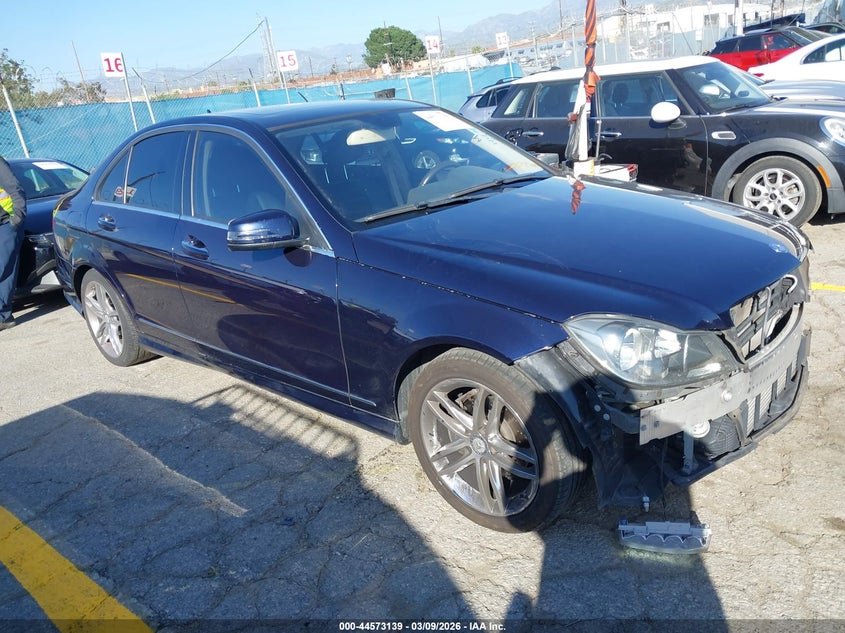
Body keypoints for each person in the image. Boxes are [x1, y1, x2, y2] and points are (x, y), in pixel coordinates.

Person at [0, 156, 27, 331]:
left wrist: (17, 216)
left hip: (4, 224)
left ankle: (4, 315)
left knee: (4, 270)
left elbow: (14, 187)